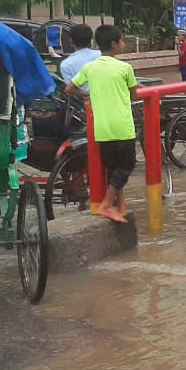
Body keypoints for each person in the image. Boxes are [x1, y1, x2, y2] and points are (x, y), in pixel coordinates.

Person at [65, 25, 138, 223]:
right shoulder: (125, 68)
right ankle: (106, 205)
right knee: (127, 166)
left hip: (102, 128)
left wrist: (88, 94)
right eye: (122, 41)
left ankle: (121, 205)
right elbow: (134, 94)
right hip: (122, 126)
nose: (124, 44)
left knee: (115, 169)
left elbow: (69, 88)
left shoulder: (90, 67)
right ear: (114, 45)